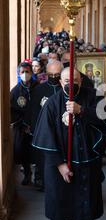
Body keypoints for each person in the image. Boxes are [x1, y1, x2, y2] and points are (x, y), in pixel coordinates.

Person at [32, 68, 106, 220]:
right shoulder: (52, 104)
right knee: (59, 203)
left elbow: (104, 119)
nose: (70, 83)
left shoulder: (93, 96)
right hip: (59, 165)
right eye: (66, 80)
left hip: (86, 162)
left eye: (74, 79)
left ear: (81, 80)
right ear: (60, 82)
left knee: (84, 200)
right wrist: (60, 165)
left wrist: (82, 110)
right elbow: (45, 137)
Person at [29, 61, 63, 190]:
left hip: (61, 130)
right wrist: (34, 130)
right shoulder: (39, 90)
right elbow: (33, 111)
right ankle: (42, 180)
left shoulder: (64, 89)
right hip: (44, 130)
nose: (54, 77)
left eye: (57, 75)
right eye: (51, 74)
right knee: (42, 158)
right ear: (47, 74)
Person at [10, 62, 39, 185]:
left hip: (37, 126)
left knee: (38, 151)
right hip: (22, 128)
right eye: (22, 72)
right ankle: (27, 174)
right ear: (18, 74)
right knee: (22, 151)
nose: (25, 74)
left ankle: (39, 177)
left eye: (27, 72)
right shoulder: (15, 91)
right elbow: (12, 110)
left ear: (31, 73)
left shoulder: (39, 88)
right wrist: (24, 123)